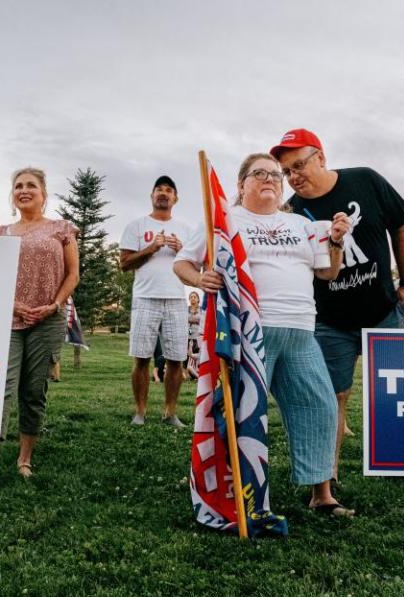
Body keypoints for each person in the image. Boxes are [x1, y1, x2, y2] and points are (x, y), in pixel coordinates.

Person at [174, 152, 353, 514]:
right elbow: (182, 263)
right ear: (241, 185)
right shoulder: (221, 221)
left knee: (320, 406)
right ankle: (235, 491)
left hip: (302, 330)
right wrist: (200, 279)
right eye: (260, 173)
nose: (271, 178)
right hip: (249, 331)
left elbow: (328, 274)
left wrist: (335, 240)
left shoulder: (302, 225)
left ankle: (322, 494)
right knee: (242, 413)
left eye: (275, 174)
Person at [271, 128, 404, 491]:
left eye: (299, 165)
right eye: (287, 171)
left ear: (321, 156)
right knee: (331, 395)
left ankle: (399, 460)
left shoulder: (365, 180)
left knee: (395, 391)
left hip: (382, 309)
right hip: (331, 320)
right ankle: (328, 474)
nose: (294, 176)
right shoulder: (292, 212)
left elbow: (400, 227)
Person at [0, 167, 79, 498]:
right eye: (18, 186)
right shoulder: (0, 233)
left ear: (44, 194)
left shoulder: (62, 229)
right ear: (12, 195)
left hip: (47, 319)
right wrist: (11, 304)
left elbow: (73, 275)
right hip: (7, 319)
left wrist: (55, 304)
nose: (24, 190)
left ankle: (24, 459)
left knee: (33, 391)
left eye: (31, 186)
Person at [119, 176, 194, 427]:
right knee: (141, 357)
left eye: (169, 190)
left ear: (176, 198)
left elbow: (196, 266)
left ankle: (170, 412)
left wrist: (182, 249)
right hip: (145, 297)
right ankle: (140, 412)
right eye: (159, 190)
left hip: (175, 299)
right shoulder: (137, 226)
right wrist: (151, 248)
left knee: (175, 359)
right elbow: (124, 264)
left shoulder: (186, 228)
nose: (163, 193)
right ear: (152, 196)